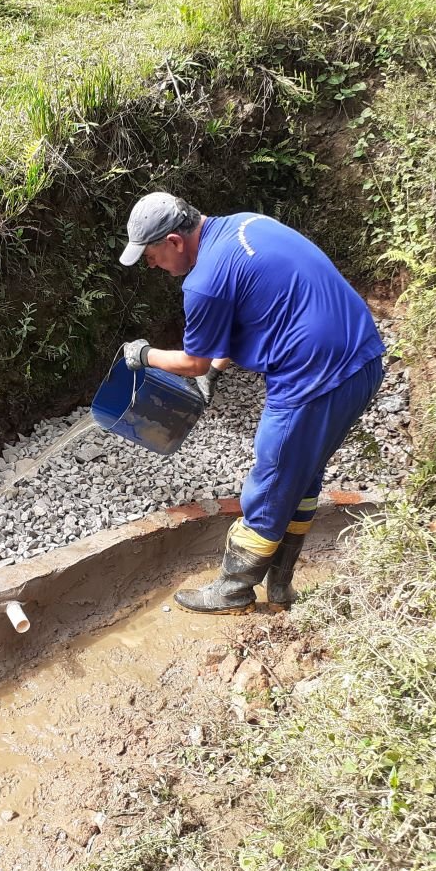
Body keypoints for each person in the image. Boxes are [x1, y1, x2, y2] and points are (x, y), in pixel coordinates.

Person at [118, 192, 384, 614]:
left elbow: (192, 361)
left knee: (274, 472)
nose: (152, 266)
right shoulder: (245, 225)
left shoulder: (203, 281)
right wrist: (213, 372)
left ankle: (233, 590)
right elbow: (244, 318)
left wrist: (143, 354)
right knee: (302, 473)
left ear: (173, 241)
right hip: (362, 358)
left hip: (315, 375)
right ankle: (280, 587)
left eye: (151, 256)